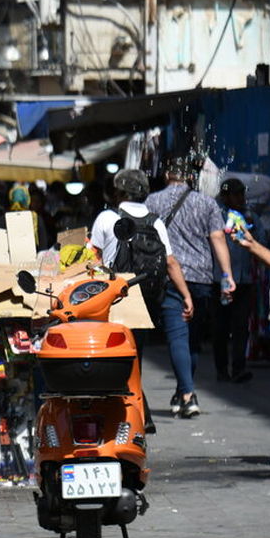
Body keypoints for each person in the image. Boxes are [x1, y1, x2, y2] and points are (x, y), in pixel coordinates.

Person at [90, 169, 194, 432]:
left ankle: (131, 412)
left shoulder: (107, 218)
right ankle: (139, 410)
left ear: (119, 192)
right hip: (146, 298)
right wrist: (185, 294)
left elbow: (94, 259)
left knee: (115, 354)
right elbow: (170, 262)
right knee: (136, 353)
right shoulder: (156, 222)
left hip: (115, 295)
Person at [144, 157, 234, 418]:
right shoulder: (207, 203)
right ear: (191, 178)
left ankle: (186, 393)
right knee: (192, 340)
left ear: (166, 176)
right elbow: (217, 238)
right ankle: (184, 391)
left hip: (170, 276)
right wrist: (227, 275)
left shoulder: (153, 202)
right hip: (202, 278)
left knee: (178, 337)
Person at [213, 179, 257, 383]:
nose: (241, 198)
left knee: (240, 327)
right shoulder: (217, 217)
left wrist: (251, 225)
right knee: (221, 326)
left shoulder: (249, 216)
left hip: (244, 279)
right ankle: (221, 368)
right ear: (225, 196)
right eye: (236, 194)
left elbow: (262, 242)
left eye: (242, 194)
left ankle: (239, 368)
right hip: (220, 279)